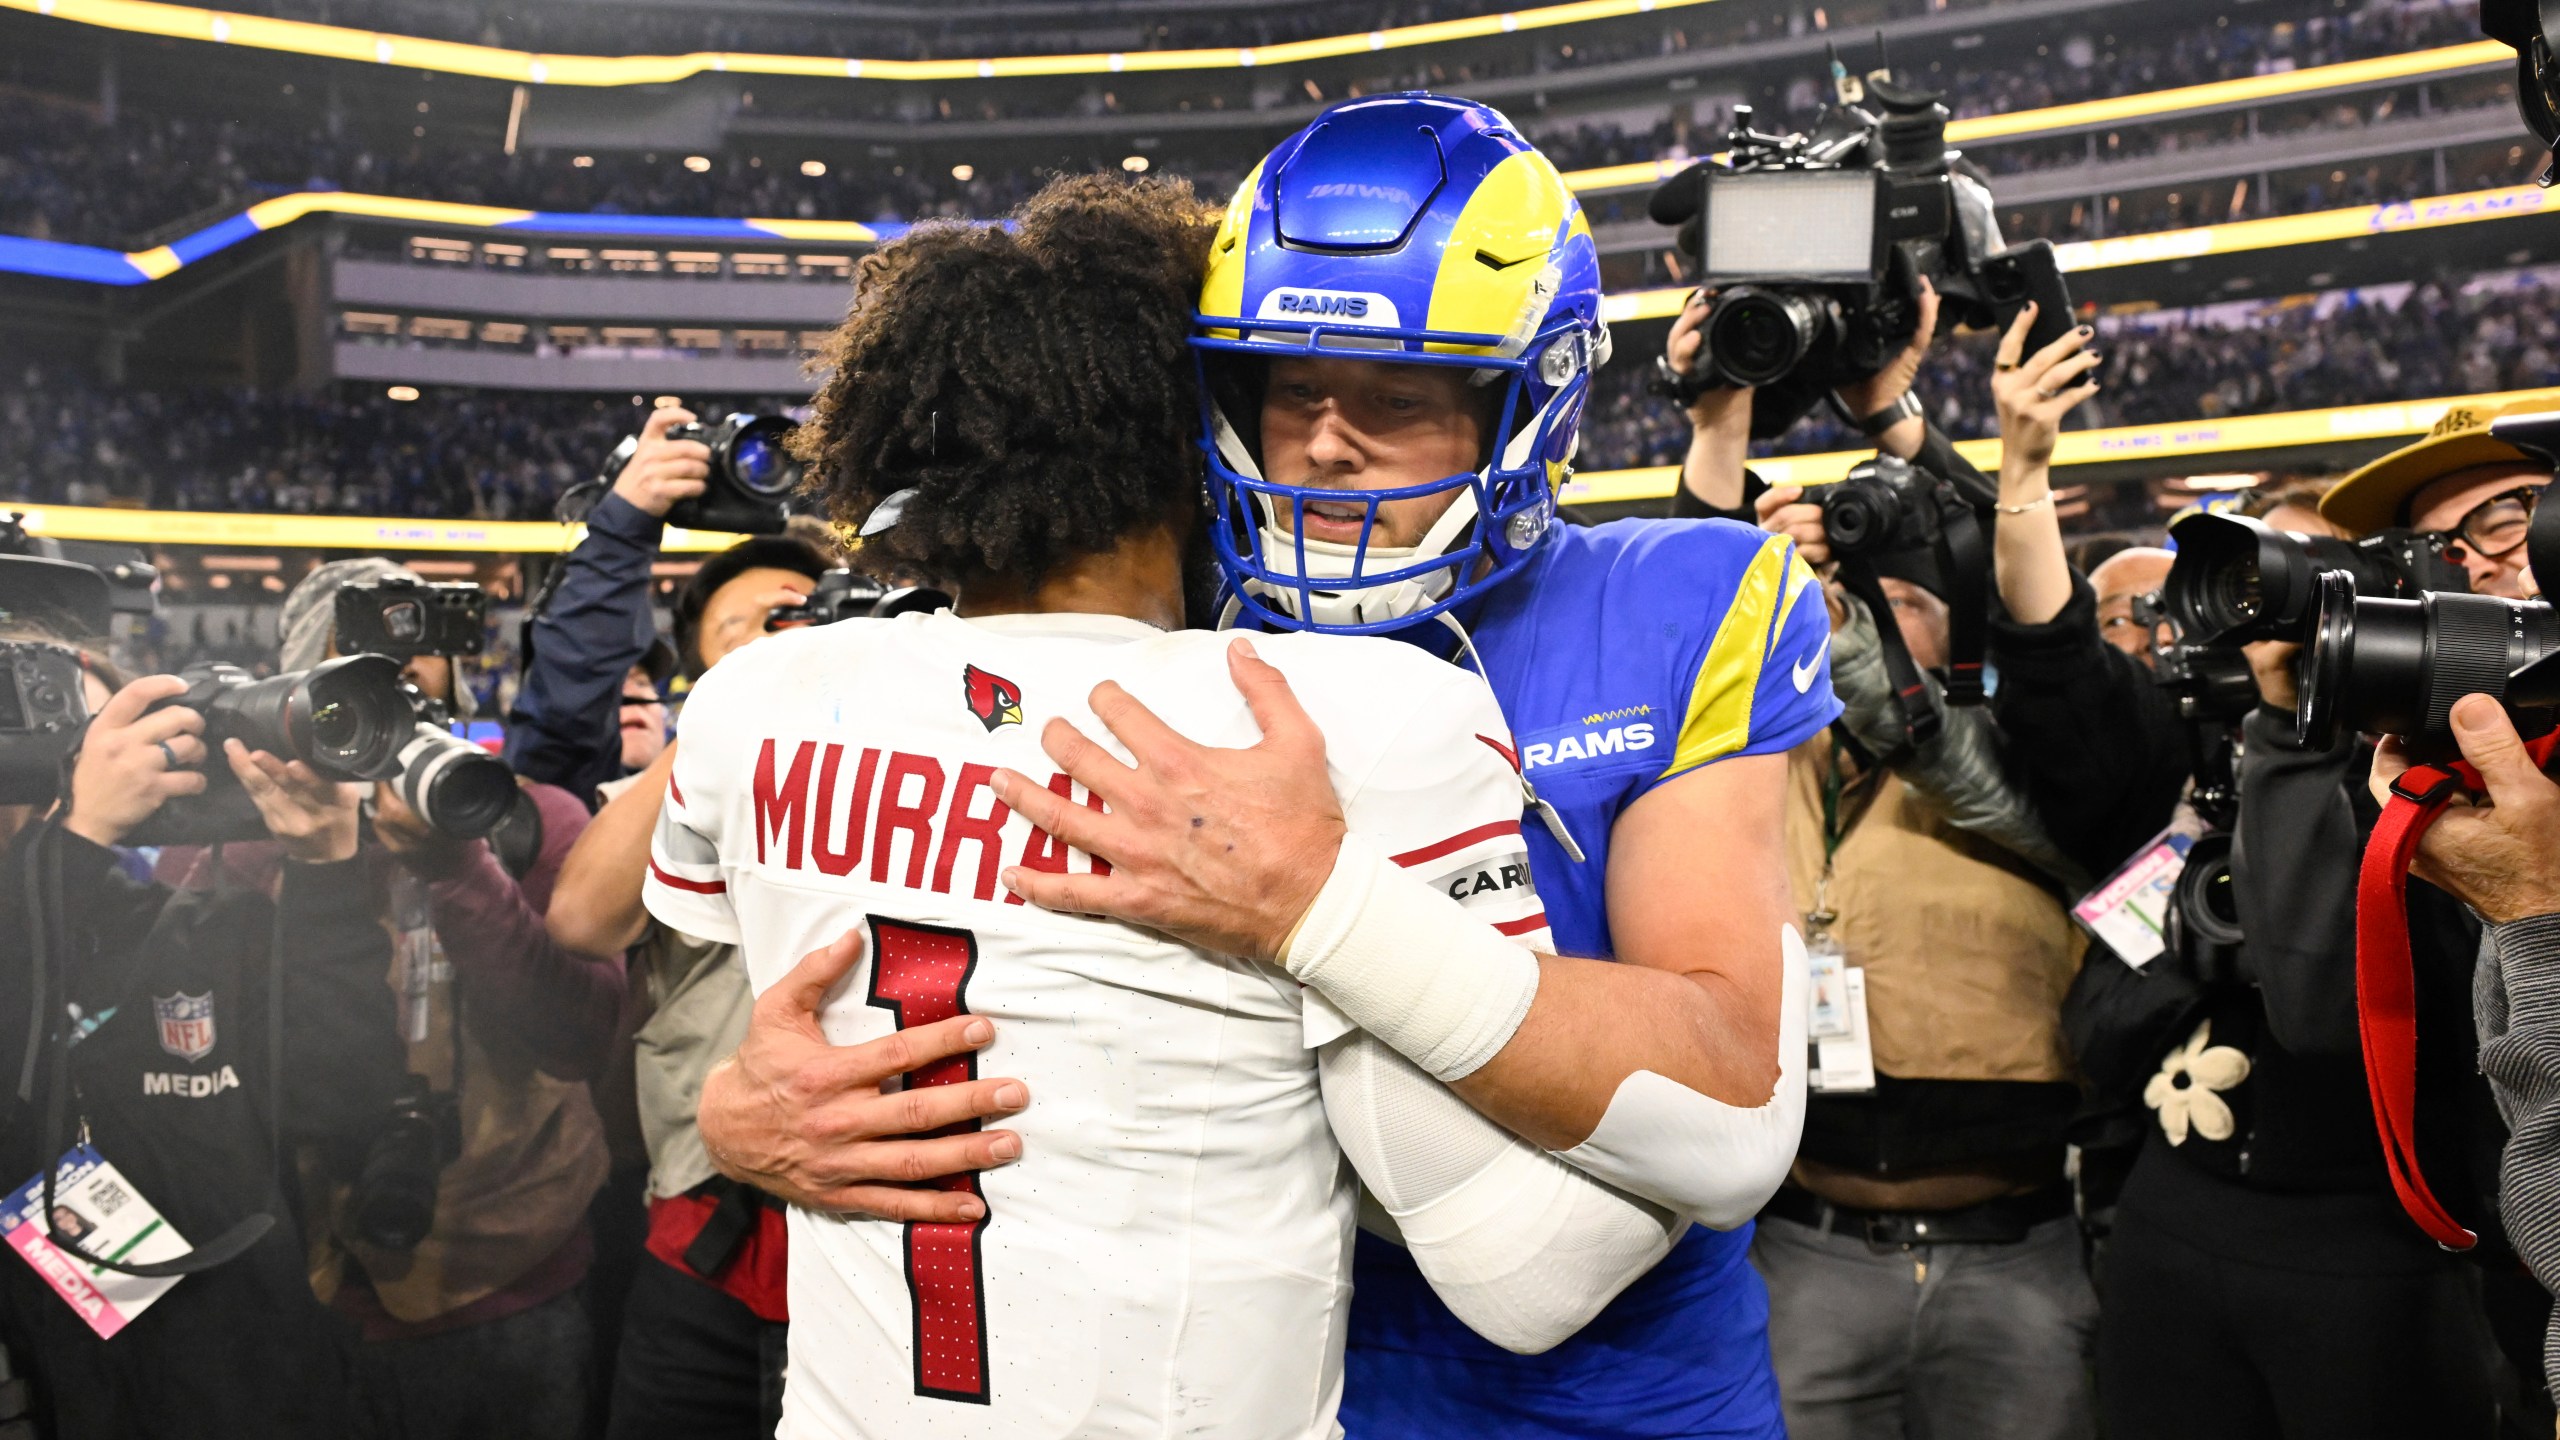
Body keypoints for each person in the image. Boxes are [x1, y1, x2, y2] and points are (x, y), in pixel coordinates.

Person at [660, 171, 1711, 1438]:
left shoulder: (750, 699)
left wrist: (730, 1114)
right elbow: (1538, 1276)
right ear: (1188, 431)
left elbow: (745, 1033)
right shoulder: (1334, 711)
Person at [929, 96, 1837, 1439]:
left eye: (1398, 399)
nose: (1327, 444)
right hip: (1241, 1372)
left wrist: (1315, 904)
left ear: (1530, 408)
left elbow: (1719, 1072)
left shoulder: (1686, 598)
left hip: (1617, 1394)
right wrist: (756, 1104)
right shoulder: (1156, 623)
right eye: (1290, 390)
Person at [1985, 323, 2505, 1437]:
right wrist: (2018, 473)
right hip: (2183, 1209)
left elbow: (2325, 1006)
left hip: (2381, 1233)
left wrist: (2298, 732)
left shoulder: (2444, 775)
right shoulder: (2204, 747)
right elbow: (2057, 665)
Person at [166, 559, 621, 1440]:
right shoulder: (228, 851)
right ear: (289, 697)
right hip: (297, 1279)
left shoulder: (537, 820)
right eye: (352, 682)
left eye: (410, 678)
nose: (386, 704)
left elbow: (579, 1040)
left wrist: (460, 866)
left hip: (512, 1271)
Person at [0, 622, 398, 1440]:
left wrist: (326, 872)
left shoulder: (192, 930)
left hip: (229, 1386)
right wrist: (70, 844)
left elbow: (341, 1106)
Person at [544, 527, 841, 1440]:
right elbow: (581, 919)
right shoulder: (668, 790)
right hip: (704, 1239)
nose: (775, 639)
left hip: (877, 1246)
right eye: (740, 630)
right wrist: (730, 717)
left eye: (797, 615)